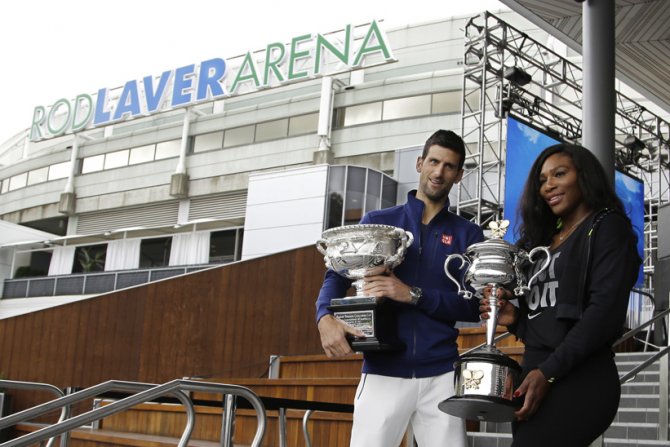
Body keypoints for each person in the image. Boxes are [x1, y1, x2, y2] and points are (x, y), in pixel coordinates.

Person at [315, 129, 485, 447]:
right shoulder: (379, 222)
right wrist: (324, 317)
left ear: (459, 175)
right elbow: (335, 276)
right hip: (383, 371)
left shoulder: (469, 235)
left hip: (442, 374)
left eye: (449, 166)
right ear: (420, 163)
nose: (439, 172)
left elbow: (474, 306)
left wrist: (412, 294)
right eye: (433, 162)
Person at [481, 143, 641, 446]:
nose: (548, 186)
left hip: (579, 378)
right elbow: (547, 320)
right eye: (542, 180)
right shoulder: (543, 241)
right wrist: (516, 319)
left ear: (584, 176)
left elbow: (604, 313)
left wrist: (548, 373)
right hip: (535, 373)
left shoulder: (606, 226)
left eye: (559, 174)